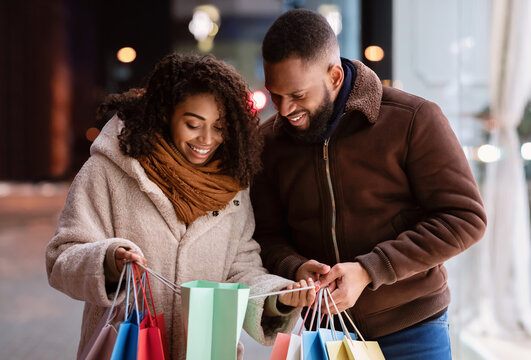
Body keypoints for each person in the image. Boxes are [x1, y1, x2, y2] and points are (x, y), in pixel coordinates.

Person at [45, 52, 316, 360]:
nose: (207, 139)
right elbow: (61, 256)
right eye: (193, 124)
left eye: (219, 127)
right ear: (165, 115)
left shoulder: (231, 185)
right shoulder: (109, 171)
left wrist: (279, 297)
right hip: (127, 350)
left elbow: (241, 268)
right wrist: (108, 260)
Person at [250, 9, 487, 359]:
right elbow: (266, 237)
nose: (285, 110)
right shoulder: (268, 143)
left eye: (298, 95)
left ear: (333, 76)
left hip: (413, 330)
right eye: (276, 95)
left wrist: (368, 271)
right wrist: (294, 267)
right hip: (324, 335)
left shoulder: (413, 120)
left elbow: (465, 217)